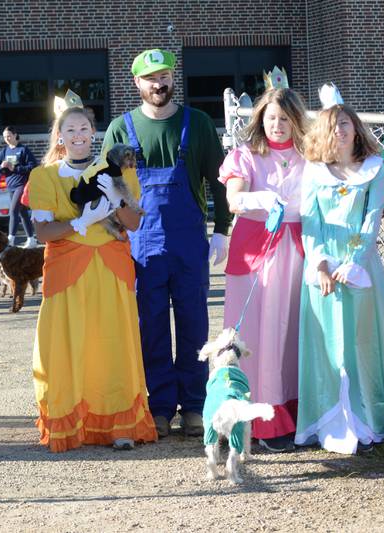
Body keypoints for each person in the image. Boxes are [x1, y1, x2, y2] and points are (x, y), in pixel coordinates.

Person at [102, 49, 233, 438]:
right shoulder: (120, 130)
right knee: (151, 325)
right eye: (150, 78)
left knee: (193, 323)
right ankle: (158, 405)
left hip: (188, 242)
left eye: (164, 76)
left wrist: (222, 229)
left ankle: (193, 404)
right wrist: (113, 241)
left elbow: (220, 181)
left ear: (173, 79)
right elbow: (109, 192)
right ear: (137, 83)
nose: (159, 84)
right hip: (141, 247)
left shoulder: (198, 124)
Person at [27, 91, 157, 452]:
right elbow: (43, 232)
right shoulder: (44, 177)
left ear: (93, 132)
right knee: (68, 347)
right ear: (60, 136)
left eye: (84, 127)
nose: (78, 134)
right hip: (68, 276)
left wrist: (116, 200)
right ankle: (74, 424)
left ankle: (119, 425)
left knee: (112, 346)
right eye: (70, 129)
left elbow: (132, 222)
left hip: (111, 273)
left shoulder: (115, 170)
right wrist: (80, 223)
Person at [295, 86, 384, 454]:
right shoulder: (313, 172)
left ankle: (367, 418)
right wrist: (323, 265)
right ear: (323, 133)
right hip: (323, 268)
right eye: (333, 126)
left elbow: (372, 218)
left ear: (355, 129)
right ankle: (331, 421)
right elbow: (310, 223)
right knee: (327, 345)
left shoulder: (373, 169)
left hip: (361, 267)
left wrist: (354, 262)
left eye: (345, 124)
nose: (340, 132)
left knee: (363, 342)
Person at [218, 76, 309, 452]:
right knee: (255, 337)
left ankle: (292, 411)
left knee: (290, 337)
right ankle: (256, 420)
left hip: (298, 254)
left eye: (285, 119)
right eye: (272, 118)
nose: (277, 125)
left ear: (296, 121)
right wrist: (262, 200)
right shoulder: (246, 155)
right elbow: (234, 199)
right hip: (257, 255)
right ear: (261, 119)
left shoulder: (310, 156)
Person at [0, 126, 38, 247]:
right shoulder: (4, 151)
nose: (7, 139)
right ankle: (31, 239)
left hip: (21, 184)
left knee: (13, 210)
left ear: (15, 135)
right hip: (10, 185)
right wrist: (2, 168)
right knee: (22, 212)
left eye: (9, 136)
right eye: (5, 137)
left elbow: (33, 167)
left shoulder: (23, 149)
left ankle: (11, 238)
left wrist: (15, 168)